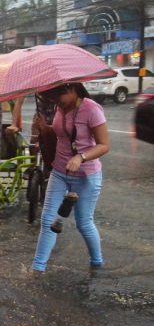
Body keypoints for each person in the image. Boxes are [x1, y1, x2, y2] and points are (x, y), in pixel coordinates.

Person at [32, 83, 109, 273]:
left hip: (86, 175)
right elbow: (63, 135)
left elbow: (104, 145)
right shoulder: (60, 107)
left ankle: (97, 262)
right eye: (53, 96)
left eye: (59, 95)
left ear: (73, 89)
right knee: (47, 218)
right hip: (60, 171)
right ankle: (38, 268)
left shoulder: (91, 109)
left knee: (84, 223)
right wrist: (45, 128)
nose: (56, 101)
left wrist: (80, 157)